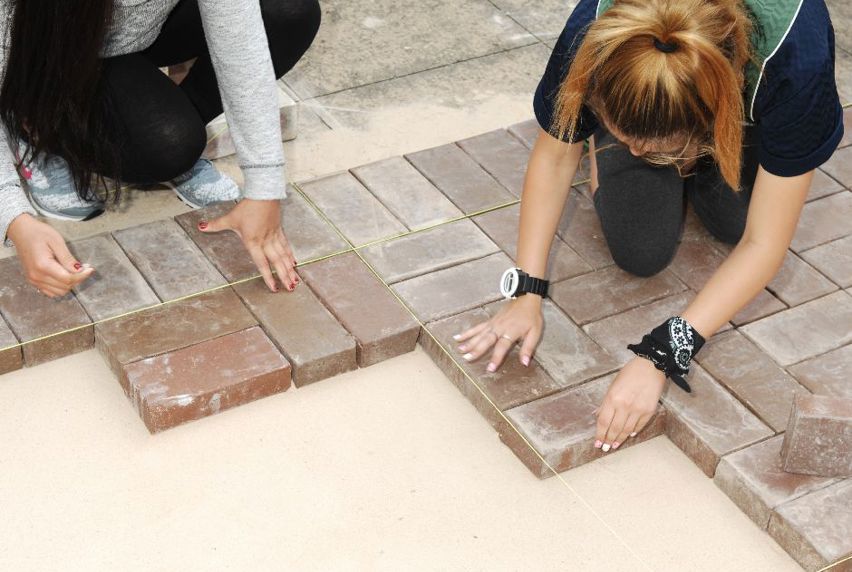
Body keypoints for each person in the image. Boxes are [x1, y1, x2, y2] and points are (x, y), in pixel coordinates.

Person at [455, 0, 843, 452]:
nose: (637, 151)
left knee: (737, 225)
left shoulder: (795, 55)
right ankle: (620, 146)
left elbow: (764, 242)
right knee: (641, 251)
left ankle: (702, 156)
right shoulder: (596, 30)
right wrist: (526, 289)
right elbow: (557, 152)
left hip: (741, 104)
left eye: (651, 145)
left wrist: (662, 352)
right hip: (671, 102)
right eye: (626, 136)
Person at [0, 0, 321, 298]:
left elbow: (241, 42)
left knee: (288, 11)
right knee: (169, 145)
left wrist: (264, 188)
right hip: (38, 54)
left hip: (134, 36)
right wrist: (16, 221)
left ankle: (139, 123)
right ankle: (35, 128)